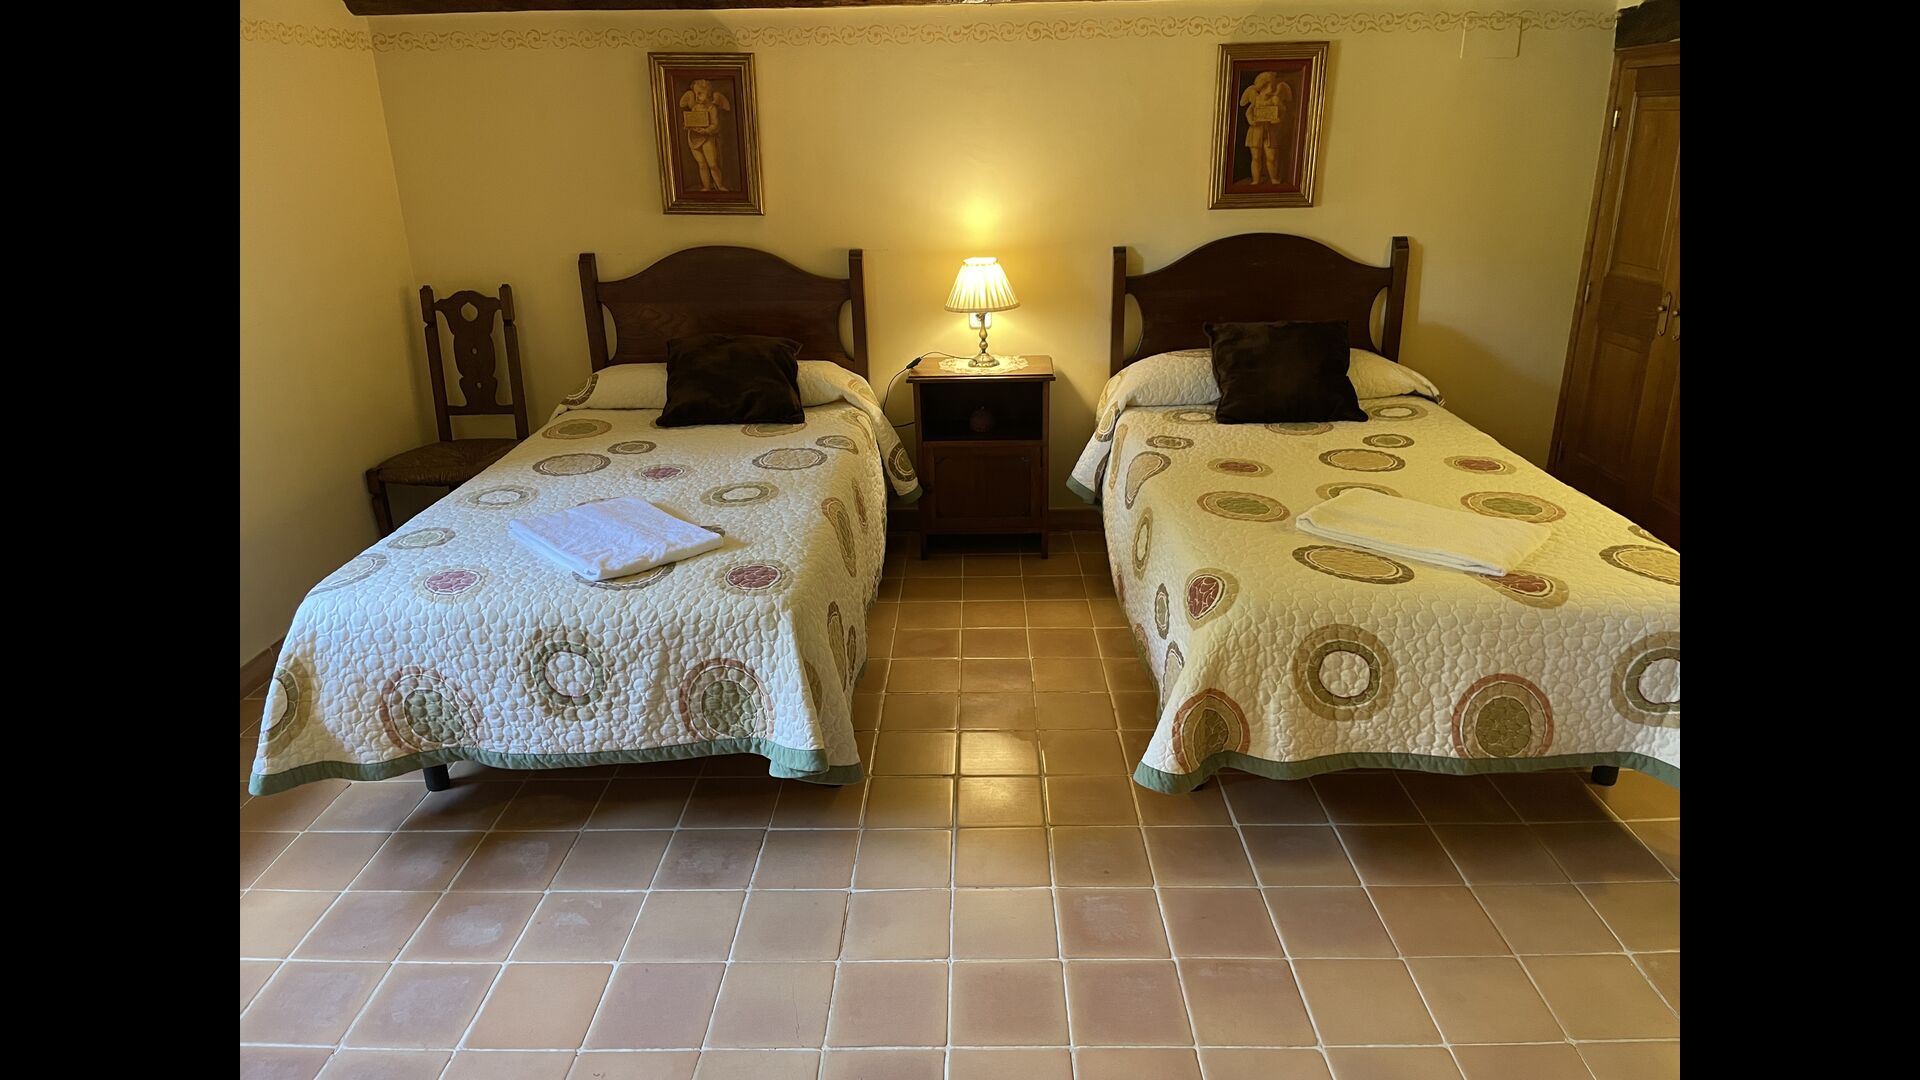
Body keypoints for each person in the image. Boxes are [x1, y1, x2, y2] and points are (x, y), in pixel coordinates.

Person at [1238, 71, 1293, 186]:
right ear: (1263, 85)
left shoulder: (1274, 99)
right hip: (1256, 131)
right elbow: (1248, 112)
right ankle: (1256, 180)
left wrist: (1278, 119)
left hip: (1269, 131)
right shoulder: (1256, 98)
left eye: (1272, 85)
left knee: (1272, 157)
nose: (1271, 88)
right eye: (1269, 85)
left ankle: (1274, 179)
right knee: (1256, 157)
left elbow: (1283, 111)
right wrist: (1251, 121)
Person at [679, 79, 733, 192]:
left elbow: (715, 125)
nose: (696, 97)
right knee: (702, 164)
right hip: (694, 138)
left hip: (707, 138)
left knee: (712, 164)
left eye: (700, 93)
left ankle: (719, 185)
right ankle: (707, 187)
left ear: (708, 93)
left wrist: (706, 131)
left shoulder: (712, 108)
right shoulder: (694, 107)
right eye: (695, 94)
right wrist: (688, 124)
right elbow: (691, 120)